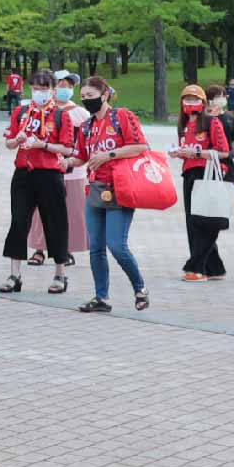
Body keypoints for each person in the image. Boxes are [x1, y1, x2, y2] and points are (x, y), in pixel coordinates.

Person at [74, 76, 151, 314]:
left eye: (90, 96)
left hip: (119, 187)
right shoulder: (86, 126)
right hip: (95, 189)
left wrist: (109, 155)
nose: (86, 100)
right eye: (83, 97)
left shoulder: (121, 116)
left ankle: (140, 288)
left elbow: (141, 146)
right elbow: (81, 156)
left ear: (104, 94)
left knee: (116, 245)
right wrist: (64, 162)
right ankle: (101, 297)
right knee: (96, 247)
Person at [0, 70, 70, 295]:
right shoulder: (21, 112)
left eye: (44, 89)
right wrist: (16, 139)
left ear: (53, 90)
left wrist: (43, 145)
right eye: (36, 89)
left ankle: (60, 273)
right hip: (24, 173)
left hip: (50, 174)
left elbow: (67, 148)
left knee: (55, 222)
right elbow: (9, 143)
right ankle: (14, 274)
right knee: (18, 222)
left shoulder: (60, 115)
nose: (39, 93)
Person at [168, 82, 234, 282]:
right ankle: (214, 268)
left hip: (207, 174)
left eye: (195, 99)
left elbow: (224, 152)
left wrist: (197, 153)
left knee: (205, 221)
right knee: (193, 221)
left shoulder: (212, 123)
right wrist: (180, 153)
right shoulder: (183, 125)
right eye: (187, 99)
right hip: (189, 174)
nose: (190, 103)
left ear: (203, 102)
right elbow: (187, 149)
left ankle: (197, 268)